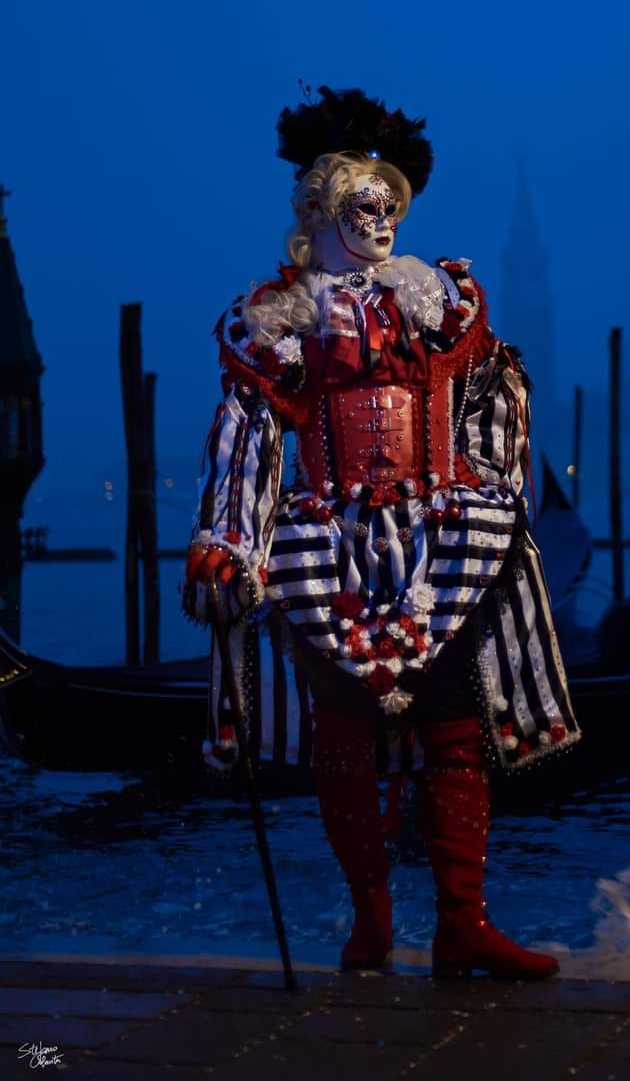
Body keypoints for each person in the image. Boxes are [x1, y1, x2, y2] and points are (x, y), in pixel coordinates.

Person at [183, 85, 579, 979]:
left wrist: (494, 496)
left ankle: (463, 925)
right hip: (331, 548)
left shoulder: (438, 304)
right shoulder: (281, 322)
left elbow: (488, 409)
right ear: (321, 208)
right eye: (363, 205)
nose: (381, 220)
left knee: (456, 728)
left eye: (389, 205)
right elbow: (249, 431)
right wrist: (228, 539)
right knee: (345, 736)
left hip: (441, 540)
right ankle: (371, 921)